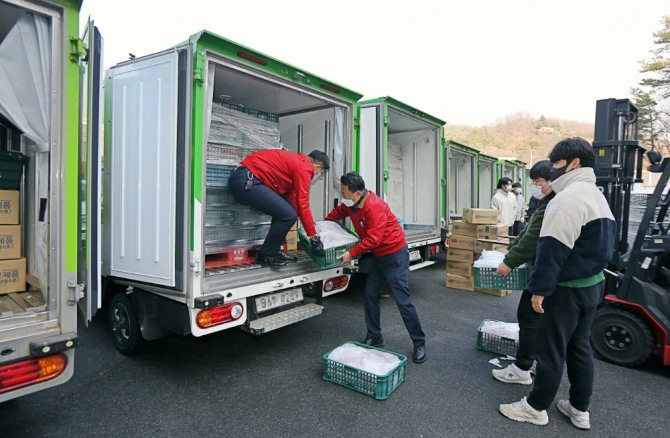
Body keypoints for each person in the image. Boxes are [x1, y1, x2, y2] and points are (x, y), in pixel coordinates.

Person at [499, 138, 616, 430]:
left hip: (567, 290)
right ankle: (579, 409)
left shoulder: (566, 199)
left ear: (573, 163)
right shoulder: (595, 194)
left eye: (556, 163)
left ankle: (536, 407)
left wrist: (540, 291)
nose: (552, 170)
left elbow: (551, 251)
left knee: (550, 350)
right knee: (580, 349)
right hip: (593, 285)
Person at [325, 172, 427, 363]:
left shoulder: (374, 206)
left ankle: (419, 343)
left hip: (394, 255)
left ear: (355, 192)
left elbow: (374, 239)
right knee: (371, 294)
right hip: (380, 256)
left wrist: (351, 253)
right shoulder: (355, 203)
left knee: (402, 300)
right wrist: (324, 224)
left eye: (344, 189)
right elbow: (342, 212)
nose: (342, 192)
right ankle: (375, 335)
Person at [492, 160, 554, 385]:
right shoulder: (547, 201)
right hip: (546, 271)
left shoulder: (553, 203)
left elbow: (532, 237)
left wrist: (509, 260)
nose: (536, 186)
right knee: (538, 321)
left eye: (538, 182)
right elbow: (527, 232)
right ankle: (534, 361)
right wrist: (512, 249)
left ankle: (522, 368)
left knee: (529, 318)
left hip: (545, 273)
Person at [228, 148, 328, 267]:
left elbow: (293, 200)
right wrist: (314, 237)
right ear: (316, 167)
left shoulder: (298, 163)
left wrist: (304, 223)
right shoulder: (305, 168)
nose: (318, 175)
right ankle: (266, 254)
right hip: (246, 181)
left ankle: (275, 250)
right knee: (288, 215)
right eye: (320, 172)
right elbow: (303, 203)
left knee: (289, 213)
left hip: (246, 179)